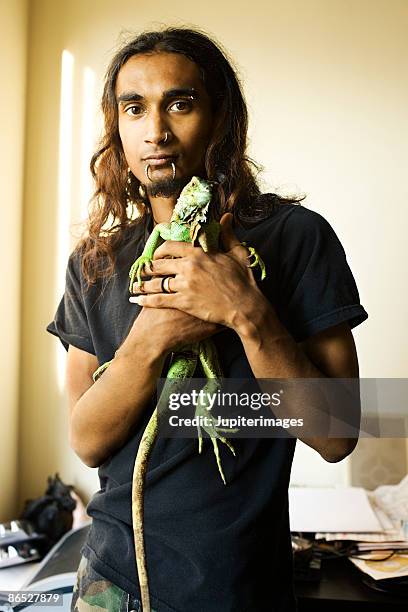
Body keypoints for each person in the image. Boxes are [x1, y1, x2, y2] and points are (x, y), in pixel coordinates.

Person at [47, 27, 368, 612]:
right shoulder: (94, 261)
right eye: (134, 108)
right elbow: (87, 440)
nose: (156, 131)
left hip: (237, 586)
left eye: (180, 103)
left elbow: (336, 433)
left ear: (220, 117)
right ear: (117, 127)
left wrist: (246, 311)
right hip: (111, 579)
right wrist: (150, 340)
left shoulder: (296, 239)